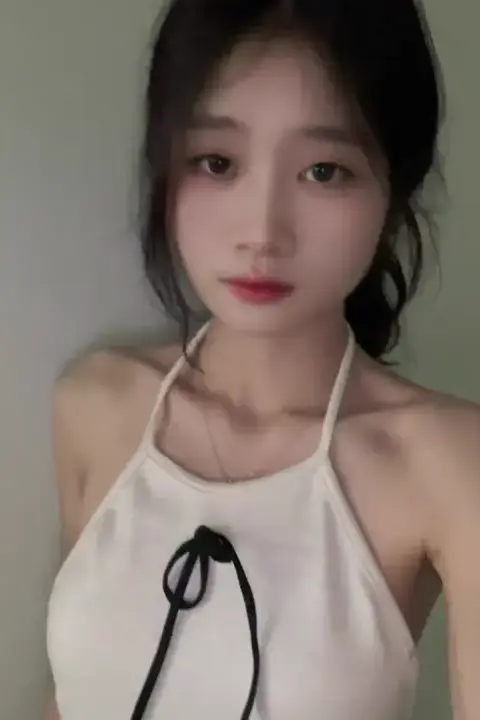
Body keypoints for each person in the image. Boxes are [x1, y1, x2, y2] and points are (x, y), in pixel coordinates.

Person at [45, 0, 480, 718]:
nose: (263, 231)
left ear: (392, 190)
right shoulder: (95, 403)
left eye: (325, 171)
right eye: (217, 162)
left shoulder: (450, 465)